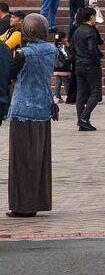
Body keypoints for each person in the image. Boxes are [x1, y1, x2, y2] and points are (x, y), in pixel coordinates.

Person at [6, 15, 57, 218]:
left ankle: (23, 206)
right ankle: (38, 201)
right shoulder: (51, 50)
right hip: (43, 108)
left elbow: (9, 74)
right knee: (39, 158)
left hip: (23, 111)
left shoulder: (22, 54)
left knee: (21, 160)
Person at [70, 6, 102, 132]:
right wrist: (96, 61)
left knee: (81, 95)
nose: (95, 19)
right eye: (94, 16)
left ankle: (83, 121)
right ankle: (83, 119)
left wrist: (78, 58)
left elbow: (71, 48)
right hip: (90, 65)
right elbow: (92, 49)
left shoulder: (77, 30)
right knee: (96, 93)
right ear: (91, 17)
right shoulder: (91, 31)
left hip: (79, 65)